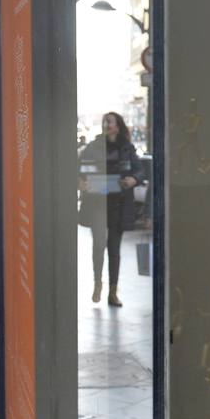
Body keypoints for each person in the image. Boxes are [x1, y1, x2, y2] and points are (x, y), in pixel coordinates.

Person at [79, 112, 145, 307]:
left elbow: (139, 170)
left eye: (110, 121)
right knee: (98, 245)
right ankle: (97, 283)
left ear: (118, 125)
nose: (106, 125)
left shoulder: (127, 147)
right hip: (96, 204)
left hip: (119, 204)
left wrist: (133, 179)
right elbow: (79, 169)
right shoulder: (93, 147)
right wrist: (80, 182)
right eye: (104, 121)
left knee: (114, 249)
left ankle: (113, 292)